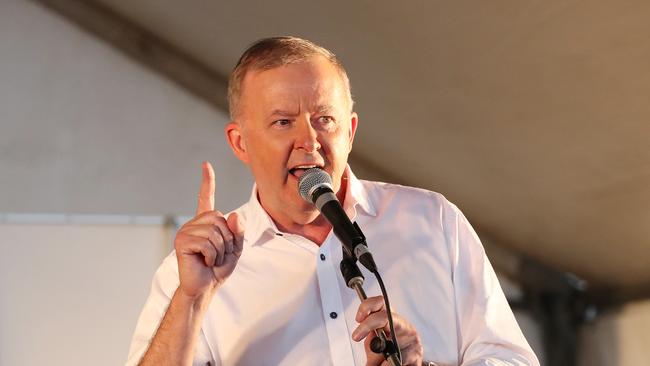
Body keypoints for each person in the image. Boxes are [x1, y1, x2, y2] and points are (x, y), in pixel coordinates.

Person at [126, 36, 539, 366]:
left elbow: (510, 360)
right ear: (241, 142)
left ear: (350, 131)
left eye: (324, 119)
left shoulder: (433, 222)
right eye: (282, 122)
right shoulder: (193, 273)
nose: (309, 141)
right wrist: (193, 300)